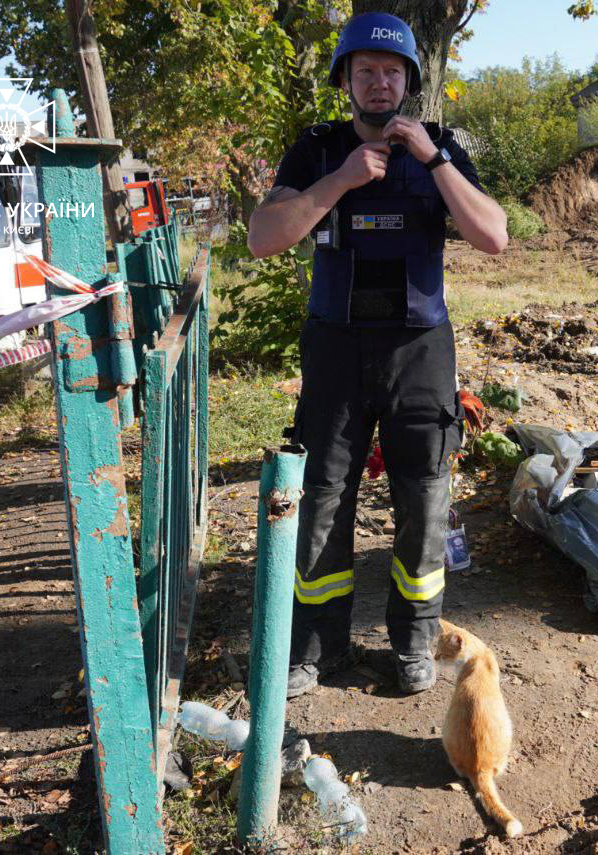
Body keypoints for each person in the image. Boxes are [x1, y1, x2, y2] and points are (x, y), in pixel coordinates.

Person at [248, 11, 508, 697]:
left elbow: (494, 236)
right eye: (365, 70)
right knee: (322, 498)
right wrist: (338, 182)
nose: (379, 82)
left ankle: (414, 642)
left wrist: (433, 159)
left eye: (392, 71)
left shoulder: (442, 147)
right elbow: (263, 237)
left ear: (410, 83)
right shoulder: (315, 149)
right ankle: (315, 646)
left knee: (423, 500)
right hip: (334, 348)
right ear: (346, 80)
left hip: (420, 352)